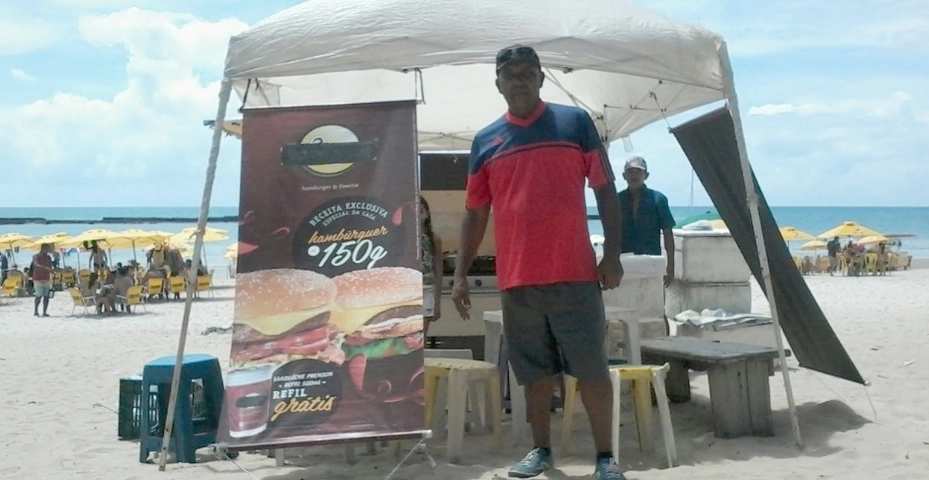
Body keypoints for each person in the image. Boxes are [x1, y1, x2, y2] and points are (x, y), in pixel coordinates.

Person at [450, 45, 625, 480]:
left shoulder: (575, 123)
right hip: (517, 280)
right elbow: (475, 212)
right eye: (510, 75)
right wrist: (459, 277)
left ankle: (605, 457)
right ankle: (541, 450)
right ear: (498, 84)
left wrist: (613, 255)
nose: (519, 81)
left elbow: (605, 190)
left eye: (528, 73)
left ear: (542, 78)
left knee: (592, 369)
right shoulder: (485, 141)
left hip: (577, 274)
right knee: (533, 374)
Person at [617, 156, 675, 287]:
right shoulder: (617, 200)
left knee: (653, 303)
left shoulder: (658, 200)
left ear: (646, 175)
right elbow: (611, 232)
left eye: (638, 172)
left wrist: (670, 266)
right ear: (624, 175)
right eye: (630, 172)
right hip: (624, 261)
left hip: (651, 261)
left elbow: (668, 233)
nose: (634, 175)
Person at [419, 196, 443, 338]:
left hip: (427, 289)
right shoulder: (403, 237)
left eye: (420, 211)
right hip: (408, 292)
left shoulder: (434, 239)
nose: (417, 216)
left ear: (427, 214)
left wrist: (437, 303)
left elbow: (438, 271)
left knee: (421, 337)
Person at [31, 243, 55, 317]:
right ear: (43, 248)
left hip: (46, 278)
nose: (47, 251)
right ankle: (36, 310)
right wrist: (47, 269)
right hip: (38, 278)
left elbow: (51, 266)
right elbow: (36, 265)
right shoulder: (36, 256)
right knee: (39, 295)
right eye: (47, 249)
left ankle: (44, 312)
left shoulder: (48, 257)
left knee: (46, 296)